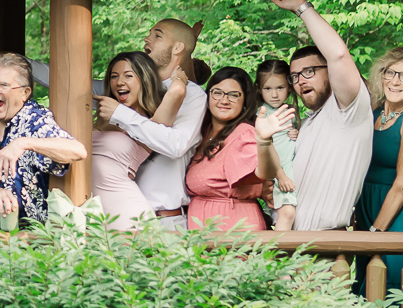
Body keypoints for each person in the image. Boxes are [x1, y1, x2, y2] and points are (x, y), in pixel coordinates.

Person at [258, 0, 374, 232]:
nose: (300, 81)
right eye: (295, 76)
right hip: (288, 246)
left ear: (330, 72)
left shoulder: (349, 110)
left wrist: (302, 7)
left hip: (326, 246)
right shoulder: (306, 124)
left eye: (309, 71)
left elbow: (339, 55)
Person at [99, 20, 207, 229]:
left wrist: (121, 114)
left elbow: (175, 145)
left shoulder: (192, 95)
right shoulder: (126, 91)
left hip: (165, 220)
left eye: (157, 35)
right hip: (117, 219)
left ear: (177, 47)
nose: (146, 39)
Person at [0, 53, 85, 229]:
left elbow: (77, 150)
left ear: (25, 92)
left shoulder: (34, 118)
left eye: (4, 85)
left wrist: (22, 143)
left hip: (30, 238)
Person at [92, 51, 182, 222]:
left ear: (144, 80)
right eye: (114, 76)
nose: (119, 82)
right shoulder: (102, 118)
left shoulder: (148, 123)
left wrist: (178, 78)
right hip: (94, 213)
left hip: (125, 211)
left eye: (128, 76)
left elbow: (176, 92)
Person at [355, 48, 403, 235]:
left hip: (394, 213)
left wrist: (376, 230)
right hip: (366, 206)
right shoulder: (375, 110)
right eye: (390, 72)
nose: (395, 81)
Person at [185, 68, 267, 232]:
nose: (224, 100)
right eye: (217, 93)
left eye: (233, 95)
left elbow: (257, 175)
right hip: (203, 229)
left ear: (245, 101)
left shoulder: (243, 133)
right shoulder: (203, 132)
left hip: (233, 227)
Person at [254, 59, 299, 229]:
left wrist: (296, 134)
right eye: (268, 88)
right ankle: (278, 255)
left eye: (279, 88)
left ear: (288, 86)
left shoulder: (288, 110)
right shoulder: (262, 114)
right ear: (259, 89)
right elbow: (266, 144)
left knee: (287, 214)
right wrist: (280, 175)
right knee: (287, 213)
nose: (274, 95)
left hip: (287, 169)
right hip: (278, 171)